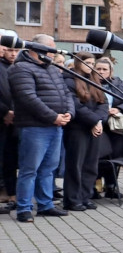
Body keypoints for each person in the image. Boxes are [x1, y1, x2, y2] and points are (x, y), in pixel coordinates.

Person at [9, 36, 74, 222]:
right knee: (30, 169)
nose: (52, 54)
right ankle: (24, 208)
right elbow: (28, 98)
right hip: (34, 127)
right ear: (34, 48)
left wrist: (69, 112)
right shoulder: (20, 68)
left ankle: (45, 205)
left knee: (49, 169)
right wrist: (53, 117)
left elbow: (66, 92)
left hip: (56, 126)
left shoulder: (53, 69)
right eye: (48, 50)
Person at [62, 53, 109, 211]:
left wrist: (100, 120)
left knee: (90, 165)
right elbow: (75, 105)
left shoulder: (95, 80)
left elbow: (103, 103)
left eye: (92, 63)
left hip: (94, 129)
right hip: (77, 129)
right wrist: (94, 121)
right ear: (77, 63)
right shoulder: (69, 80)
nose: (90, 65)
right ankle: (72, 199)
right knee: (76, 164)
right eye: (86, 62)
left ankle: (85, 196)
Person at [93, 56, 123, 199]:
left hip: (114, 126)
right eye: (98, 69)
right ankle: (94, 186)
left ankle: (111, 186)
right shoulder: (90, 83)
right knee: (98, 157)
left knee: (115, 156)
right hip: (97, 124)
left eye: (104, 69)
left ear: (110, 71)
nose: (101, 72)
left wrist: (118, 109)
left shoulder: (118, 83)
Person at [0, 45, 17, 210]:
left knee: (10, 160)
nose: (12, 53)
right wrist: (5, 111)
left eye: (15, 50)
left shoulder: (16, 68)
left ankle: (12, 194)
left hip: (13, 123)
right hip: (3, 118)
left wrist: (13, 112)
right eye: (7, 49)